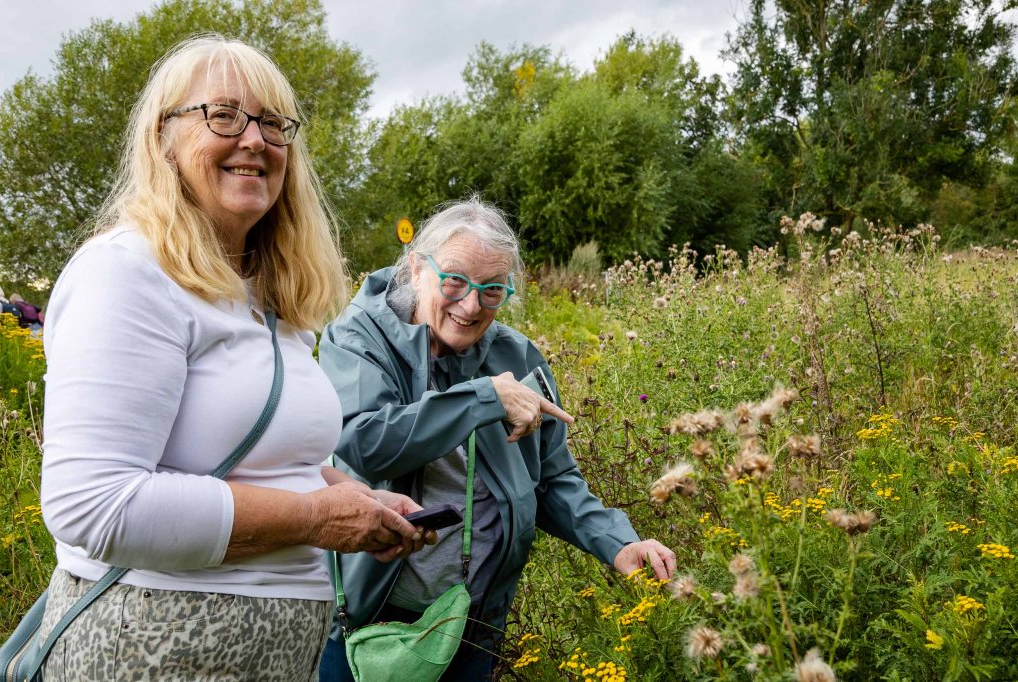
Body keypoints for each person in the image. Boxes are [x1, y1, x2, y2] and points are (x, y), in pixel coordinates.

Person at [38, 35, 432, 681]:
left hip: (273, 652)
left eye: (274, 124)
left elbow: (268, 460)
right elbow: (93, 504)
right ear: (164, 138)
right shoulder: (128, 272)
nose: (254, 140)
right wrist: (314, 517)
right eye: (223, 115)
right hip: (149, 649)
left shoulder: (266, 296)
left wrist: (357, 499)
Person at [318, 198, 677, 680]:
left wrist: (617, 544)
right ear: (416, 267)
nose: (471, 305)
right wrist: (485, 398)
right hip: (372, 625)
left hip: (473, 625)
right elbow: (363, 441)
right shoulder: (359, 338)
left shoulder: (515, 354)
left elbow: (551, 478)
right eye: (456, 282)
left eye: (492, 291)